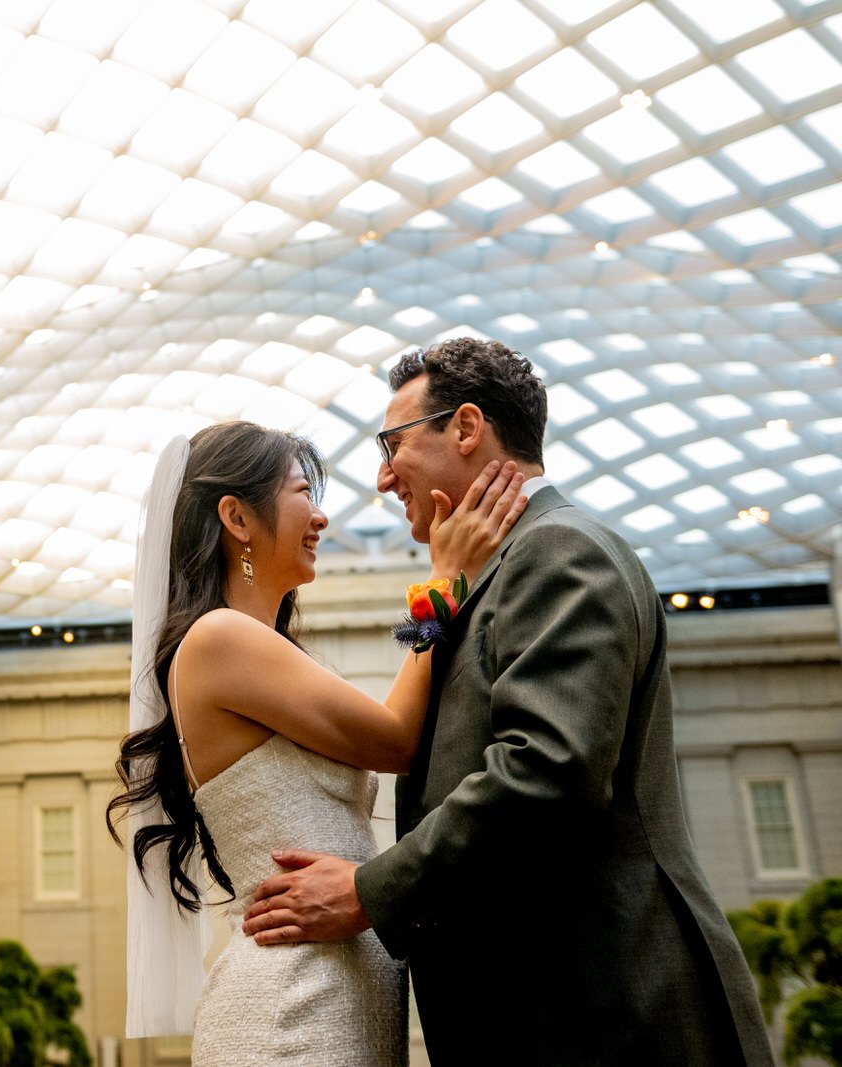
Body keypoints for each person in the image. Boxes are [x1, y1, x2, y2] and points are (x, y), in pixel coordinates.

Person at [240, 338, 775, 1065]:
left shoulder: (559, 552)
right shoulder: (502, 570)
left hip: (607, 1015)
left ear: (465, 428)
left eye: (392, 445)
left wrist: (369, 892)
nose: (381, 476)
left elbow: (547, 768)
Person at [107, 419, 527, 1065]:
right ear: (236, 518)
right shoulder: (221, 637)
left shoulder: (254, 645)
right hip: (290, 1005)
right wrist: (445, 583)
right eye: (304, 490)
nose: (322, 517)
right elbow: (395, 739)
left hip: (329, 994)